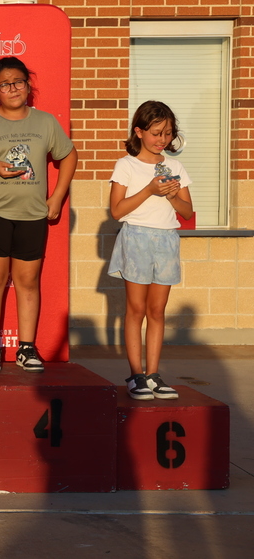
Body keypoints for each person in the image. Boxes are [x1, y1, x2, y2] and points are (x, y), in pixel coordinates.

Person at [0, 56, 77, 373]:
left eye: (18, 81)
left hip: (33, 215)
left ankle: (26, 347)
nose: (13, 89)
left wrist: (57, 198)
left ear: (28, 84)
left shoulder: (45, 122)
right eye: (5, 84)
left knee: (28, 281)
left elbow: (69, 154)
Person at [108, 100, 193, 399]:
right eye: (156, 133)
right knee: (136, 309)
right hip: (137, 239)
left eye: (168, 133)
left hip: (167, 240)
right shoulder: (126, 165)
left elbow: (186, 211)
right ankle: (136, 375)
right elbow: (117, 211)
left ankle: (154, 374)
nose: (162, 140)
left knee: (157, 311)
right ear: (139, 132)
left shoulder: (176, 166)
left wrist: (170, 195)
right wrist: (150, 190)